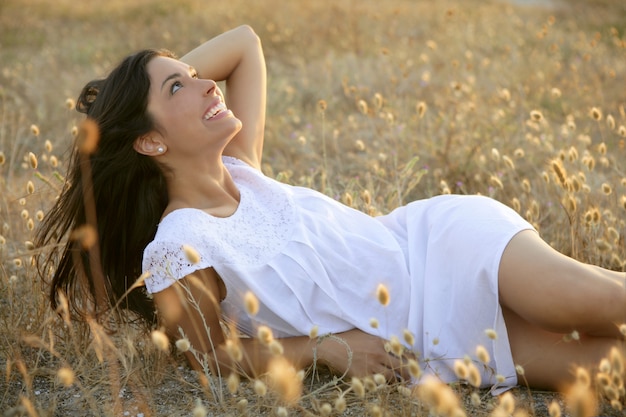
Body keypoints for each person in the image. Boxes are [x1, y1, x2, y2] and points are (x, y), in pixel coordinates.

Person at [36, 25, 626, 394]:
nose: (207, 85)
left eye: (195, 76)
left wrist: (151, 97)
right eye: (180, 88)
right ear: (150, 143)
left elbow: (243, 43)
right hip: (425, 338)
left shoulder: (242, 166)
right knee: (607, 368)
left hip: (437, 248)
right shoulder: (177, 244)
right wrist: (324, 351)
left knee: (590, 299)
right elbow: (212, 352)